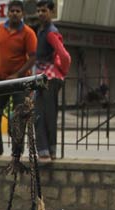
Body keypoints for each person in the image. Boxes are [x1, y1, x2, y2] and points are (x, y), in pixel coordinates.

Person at [0, 0, 36, 156]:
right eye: (12, 11)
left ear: (23, 14)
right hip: (1, 79)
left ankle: (17, 151)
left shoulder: (28, 33)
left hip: (20, 81)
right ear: (7, 12)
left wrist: (18, 74)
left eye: (18, 11)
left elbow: (33, 58)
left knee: (19, 116)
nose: (15, 13)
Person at [33, 0, 71, 162]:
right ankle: (46, 151)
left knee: (44, 115)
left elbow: (65, 56)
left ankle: (47, 152)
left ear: (51, 12)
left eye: (44, 10)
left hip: (49, 78)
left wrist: (62, 71)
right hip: (43, 78)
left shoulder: (50, 32)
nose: (41, 13)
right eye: (39, 10)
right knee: (42, 115)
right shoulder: (41, 31)